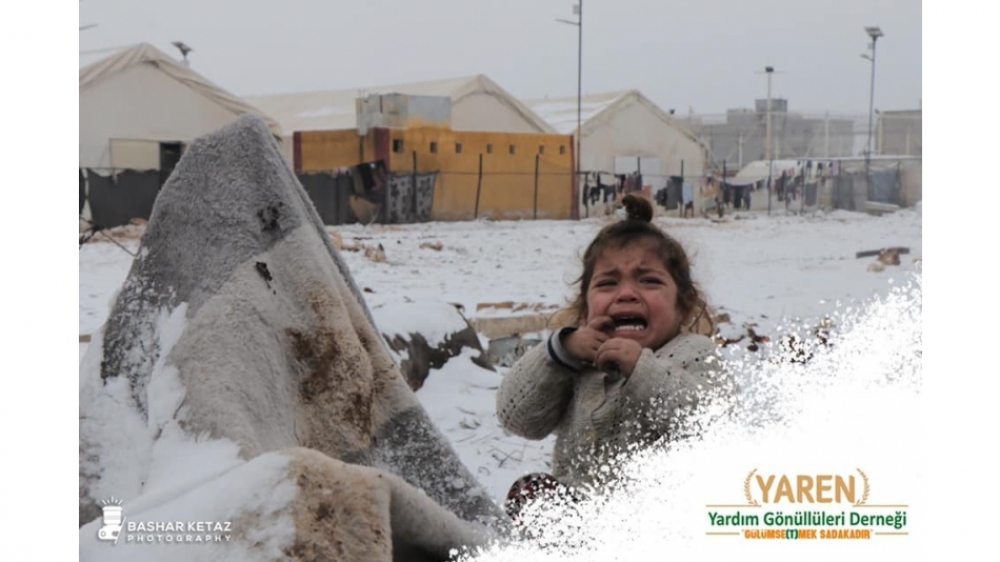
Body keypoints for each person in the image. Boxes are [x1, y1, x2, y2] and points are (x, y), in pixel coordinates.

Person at [496, 194, 736, 515]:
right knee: (531, 492)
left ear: (684, 304)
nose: (625, 294)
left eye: (649, 281)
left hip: (660, 524)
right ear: (585, 307)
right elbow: (518, 418)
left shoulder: (694, 354)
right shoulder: (578, 365)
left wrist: (641, 369)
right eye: (607, 283)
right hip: (579, 518)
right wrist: (558, 354)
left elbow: (716, 424)